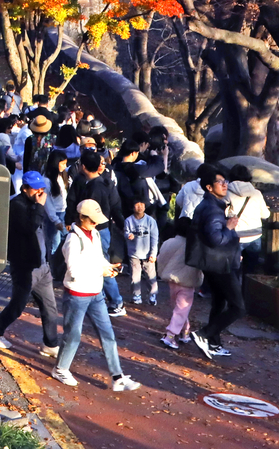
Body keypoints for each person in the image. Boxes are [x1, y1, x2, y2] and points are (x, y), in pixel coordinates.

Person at [51, 199, 140, 392]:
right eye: (92, 220)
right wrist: (101, 272)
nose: (95, 223)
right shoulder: (73, 239)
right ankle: (60, 369)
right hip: (77, 293)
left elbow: (98, 258)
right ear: (81, 217)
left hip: (95, 292)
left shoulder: (95, 233)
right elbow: (74, 270)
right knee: (73, 334)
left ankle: (117, 376)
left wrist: (108, 267)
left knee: (107, 333)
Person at [0, 172, 59, 356]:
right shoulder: (17, 205)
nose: (39, 192)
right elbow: (29, 228)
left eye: (41, 189)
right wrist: (40, 207)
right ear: (25, 188)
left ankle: (51, 343)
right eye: (35, 189)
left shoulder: (35, 203)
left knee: (50, 307)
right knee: (18, 304)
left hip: (42, 264)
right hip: (25, 265)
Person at [190, 165, 244, 360]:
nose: (225, 185)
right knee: (238, 307)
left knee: (219, 302)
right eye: (220, 182)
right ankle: (203, 334)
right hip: (220, 264)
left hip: (213, 262)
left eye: (225, 181)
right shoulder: (213, 209)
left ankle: (213, 342)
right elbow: (216, 239)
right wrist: (229, 228)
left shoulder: (211, 206)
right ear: (209, 187)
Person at [64, 148, 126, 316]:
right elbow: (115, 207)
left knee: (101, 266)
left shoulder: (90, 185)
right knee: (100, 264)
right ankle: (103, 299)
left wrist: (70, 221)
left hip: (95, 231)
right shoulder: (105, 183)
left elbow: (74, 204)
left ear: (83, 166)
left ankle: (116, 301)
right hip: (103, 229)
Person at [156, 216, 202, 350]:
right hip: (186, 281)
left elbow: (161, 258)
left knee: (178, 309)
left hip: (171, 280)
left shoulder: (169, 242)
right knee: (181, 309)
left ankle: (185, 331)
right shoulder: (192, 245)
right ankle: (170, 336)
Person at [124, 199, 160, 306]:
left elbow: (154, 238)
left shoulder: (150, 221)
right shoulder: (129, 220)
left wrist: (153, 254)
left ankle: (152, 296)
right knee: (135, 276)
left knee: (151, 276)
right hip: (134, 253)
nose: (139, 207)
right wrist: (128, 235)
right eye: (137, 204)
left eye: (142, 204)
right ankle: (136, 296)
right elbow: (126, 232)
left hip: (148, 253)